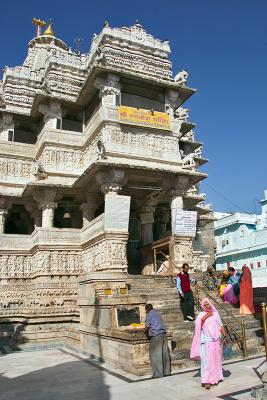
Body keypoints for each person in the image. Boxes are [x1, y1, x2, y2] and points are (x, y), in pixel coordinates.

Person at [190, 298, 227, 390]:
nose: (207, 306)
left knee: (216, 360)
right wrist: (206, 316)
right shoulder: (201, 315)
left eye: (208, 304)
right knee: (207, 362)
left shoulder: (216, 313)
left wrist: (225, 335)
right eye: (205, 305)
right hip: (207, 341)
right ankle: (206, 381)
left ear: (211, 304)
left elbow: (220, 325)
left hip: (216, 341)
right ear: (202, 306)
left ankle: (217, 377)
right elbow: (198, 326)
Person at [145, 303, 171, 378]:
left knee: (155, 355)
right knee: (164, 354)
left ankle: (158, 373)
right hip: (163, 335)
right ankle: (166, 372)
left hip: (156, 336)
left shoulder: (149, 315)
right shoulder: (158, 314)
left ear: (146, 310)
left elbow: (147, 327)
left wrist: (145, 331)